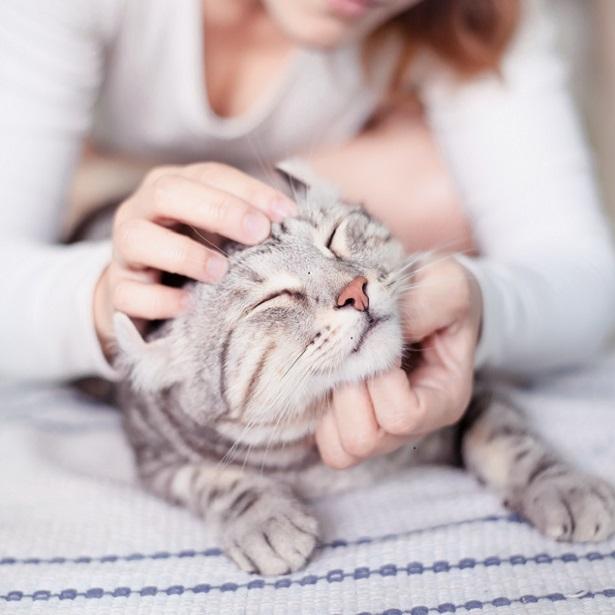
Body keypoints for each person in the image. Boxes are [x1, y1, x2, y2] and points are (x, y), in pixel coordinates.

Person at [1, 0, 614, 470]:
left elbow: (585, 279)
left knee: (436, 190)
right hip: (119, 233)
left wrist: (481, 303)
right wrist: (110, 296)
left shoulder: (477, 16)